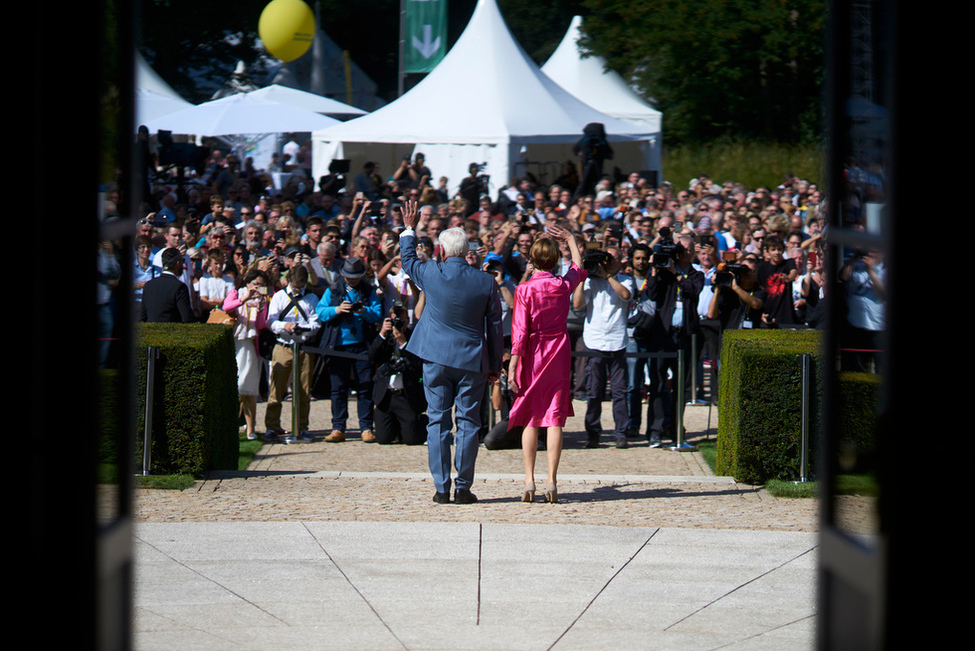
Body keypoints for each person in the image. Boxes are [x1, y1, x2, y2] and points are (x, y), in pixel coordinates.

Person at [398, 200, 504, 505]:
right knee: (469, 423)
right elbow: (494, 327)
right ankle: (464, 487)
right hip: (472, 361)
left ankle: (441, 487)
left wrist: (410, 227)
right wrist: (494, 365)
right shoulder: (485, 282)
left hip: (435, 357)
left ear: (442, 251)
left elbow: (407, 260)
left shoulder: (431, 272)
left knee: (438, 422)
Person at [506, 224, 586, 503]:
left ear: (532, 260)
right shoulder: (562, 286)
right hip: (559, 350)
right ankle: (551, 479)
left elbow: (519, 330)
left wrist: (514, 363)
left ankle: (529, 479)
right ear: (553, 260)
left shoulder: (524, 289)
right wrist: (571, 240)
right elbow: (578, 267)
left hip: (533, 353)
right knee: (554, 419)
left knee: (530, 417)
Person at [315, 257, 383, 442]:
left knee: (365, 387)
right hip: (337, 346)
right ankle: (338, 427)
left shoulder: (369, 291)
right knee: (338, 388)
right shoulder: (334, 289)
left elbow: (378, 313)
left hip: (362, 346)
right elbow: (320, 311)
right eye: (349, 277)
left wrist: (363, 311)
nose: (352, 280)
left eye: (355, 277)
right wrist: (337, 309)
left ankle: (366, 427)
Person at [573, 245, 633, 449]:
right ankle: (593, 433)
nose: (606, 263)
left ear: (619, 261)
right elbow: (578, 304)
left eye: (611, 259)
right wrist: (582, 278)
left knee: (619, 391)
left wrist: (607, 276)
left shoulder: (625, 279)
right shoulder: (590, 281)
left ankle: (621, 433)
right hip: (595, 340)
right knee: (594, 391)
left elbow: (626, 295)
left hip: (617, 341)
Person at [264, 265, 321, 440]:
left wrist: (303, 329)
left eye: (301, 286)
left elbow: (316, 323)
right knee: (276, 388)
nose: (298, 289)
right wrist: (284, 326)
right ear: (289, 281)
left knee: (303, 390)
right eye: (296, 286)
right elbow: (270, 322)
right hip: (283, 346)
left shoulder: (311, 298)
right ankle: (272, 427)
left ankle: (301, 426)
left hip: (303, 348)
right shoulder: (280, 296)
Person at [221, 269, 270, 440]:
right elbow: (226, 307)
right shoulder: (236, 293)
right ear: (248, 283)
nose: (257, 288)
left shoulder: (259, 301)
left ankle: (250, 429)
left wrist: (262, 307)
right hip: (233, 343)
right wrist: (245, 299)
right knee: (233, 387)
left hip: (249, 345)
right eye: (255, 284)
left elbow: (262, 325)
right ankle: (230, 425)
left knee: (248, 388)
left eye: (261, 286)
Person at [368, 303, 426, 445]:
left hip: (406, 395)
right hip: (386, 395)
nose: (398, 324)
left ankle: (422, 422)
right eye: (394, 321)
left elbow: (417, 365)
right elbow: (372, 356)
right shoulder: (385, 338)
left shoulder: (414, 337)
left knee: (411, 440)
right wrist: (382, 333)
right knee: (383, 439)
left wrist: (403, 344)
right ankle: (397, 428)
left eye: (402, 321)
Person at [140, 247, 194, 323]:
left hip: (150, 332)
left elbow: (142, 317)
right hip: (172, 333)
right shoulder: (179, 287)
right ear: (178, 264)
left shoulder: (148, 285)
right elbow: (187, 318)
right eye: (183, 261)